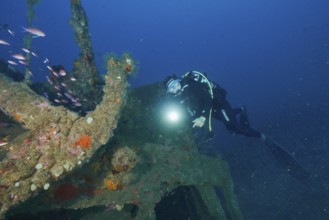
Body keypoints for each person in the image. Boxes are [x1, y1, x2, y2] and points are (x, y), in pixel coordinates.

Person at [163, 70, 266, 143]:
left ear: (179, 81)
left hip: (218, 104)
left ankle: (261, 136)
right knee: (231, 127)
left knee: (235, 129)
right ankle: (240, 109)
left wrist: (203, 117)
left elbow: (208, 99)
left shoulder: (192, 87)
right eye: (171, 88)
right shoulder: (180, 98)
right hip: (211, 110)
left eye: (175, 84)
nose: (175, 88)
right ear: (169, 92)